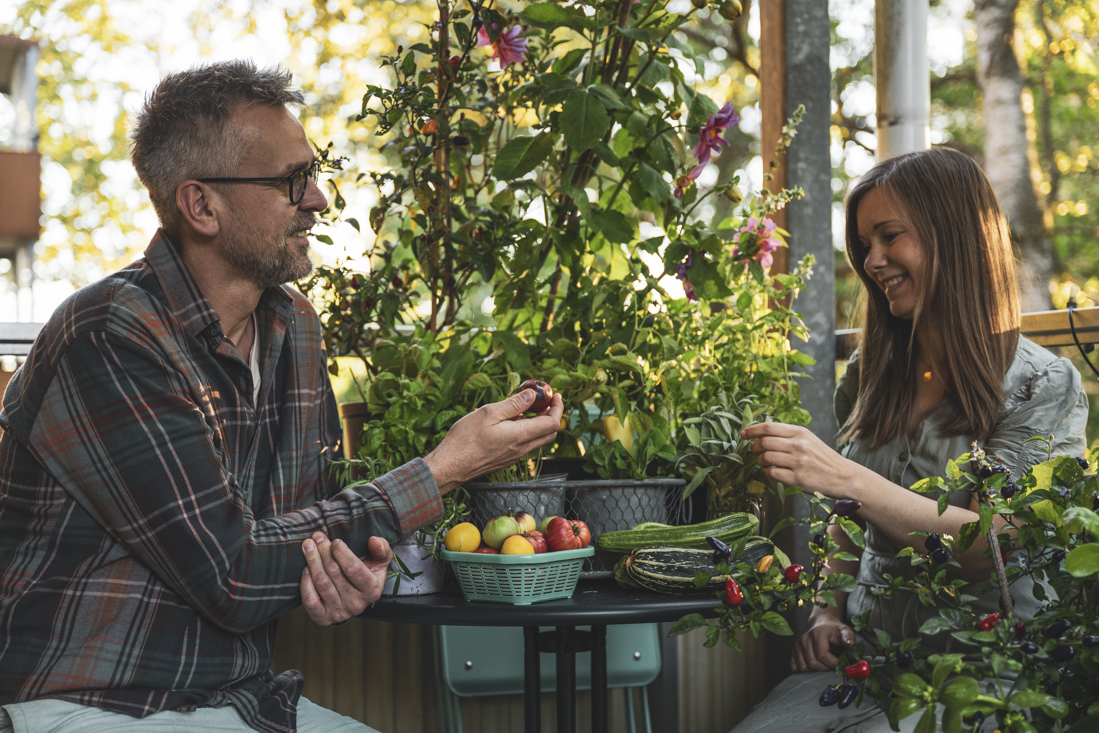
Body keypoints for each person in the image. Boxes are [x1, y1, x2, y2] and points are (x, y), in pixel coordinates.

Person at [0, 60, 563, 733]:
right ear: (201, 204)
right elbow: (233, 572)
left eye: (313, 173)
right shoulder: (111, 334)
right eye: (290, 180)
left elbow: (298, 533)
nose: (318, 198)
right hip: (85, 704)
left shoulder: (293, 328)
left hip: (238, 701)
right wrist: (444, 468)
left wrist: (340, 572)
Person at [730, 147, 1088, 732]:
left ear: (955, 236)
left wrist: (843, 476)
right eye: (864, 244)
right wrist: (825, 612)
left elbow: (988, 550)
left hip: (983, 671)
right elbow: (846, 522)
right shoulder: (871, 372)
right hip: (862, 663)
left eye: (889, 236)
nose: (872, 261)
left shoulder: (1041, 385)